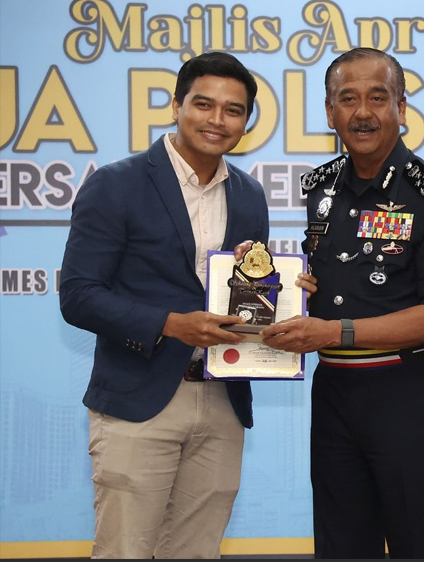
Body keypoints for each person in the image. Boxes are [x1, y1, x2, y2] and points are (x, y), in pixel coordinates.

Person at [259, 48, 424, 558]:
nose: (362, 113)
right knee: (341, 545)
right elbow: (330, 281)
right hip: (334, 391)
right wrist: (279, 287)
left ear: (401, 108)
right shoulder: (321, 189)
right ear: (329, 111)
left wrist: (334, 332)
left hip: (406, 393)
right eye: (347, 99)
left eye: (378, 98)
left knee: (417, 545)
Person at [60, 52, 273, 559]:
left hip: (222, 399)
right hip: (139, 398)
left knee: (197, 553)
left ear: (246, 123)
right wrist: (172, 325)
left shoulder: (249, 195)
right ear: (176, 106)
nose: (217, 120)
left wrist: (284, 293)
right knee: (125, 551)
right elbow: (79, 296)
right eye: (203, 104)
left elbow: (249, 292)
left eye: (233, 110)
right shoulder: (116, 183)